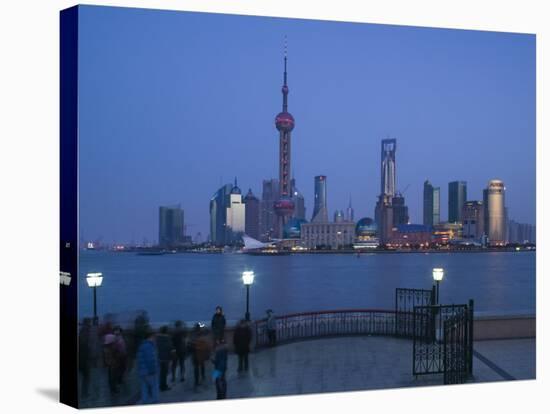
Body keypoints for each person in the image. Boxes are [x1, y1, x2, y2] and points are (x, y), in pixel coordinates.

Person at [136, 329, 159, 404]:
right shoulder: (149, 346)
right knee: (154, 387)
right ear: (150, 337)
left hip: (142, 371)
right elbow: (151, 359)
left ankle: (145, 402)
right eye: (154, 337)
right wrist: (153, 370)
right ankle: (154, 402)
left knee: (144, 388)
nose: (155, 339)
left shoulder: (142, 345)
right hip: (149, 371)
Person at [188, 323, 211, 389]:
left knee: (196, 368)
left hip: (195, 353)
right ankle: (202, 377)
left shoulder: (192, 335)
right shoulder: (201, 334)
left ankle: (197, 381)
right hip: (200, 353)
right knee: (201, 366)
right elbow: (207, 331)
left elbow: (189, 345)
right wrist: (203, 326)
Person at [155, 325, 173, 391]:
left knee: (160, 373)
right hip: (166, 358)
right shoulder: (168, 338)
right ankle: (164, 386)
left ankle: (160, 385)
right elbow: (170, 348)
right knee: (164, 373)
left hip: (159, 357)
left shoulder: (157, 338)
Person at [78, 318, 92, 399]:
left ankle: (84, 392)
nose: (90, 325)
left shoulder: (83, 331)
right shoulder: (84, 331)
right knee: (86, 376)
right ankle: (84, 393)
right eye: (89, 323)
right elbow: (84, 344)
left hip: (83, 357)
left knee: (85, 376)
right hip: (83, 358)